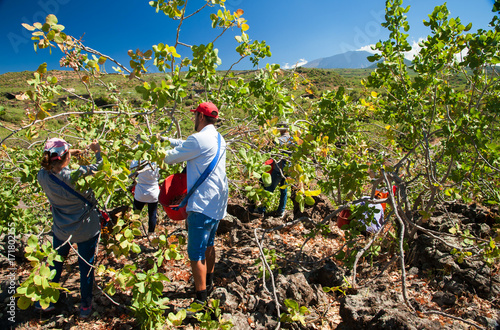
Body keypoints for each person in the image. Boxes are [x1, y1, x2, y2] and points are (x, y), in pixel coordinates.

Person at [162, 102, 228, 304]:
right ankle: (209, 282)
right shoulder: (218, 137)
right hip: (217, 203)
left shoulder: (198, 140)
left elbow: (168, 159)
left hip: (202, 204)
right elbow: (187, 144)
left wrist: (155, 148)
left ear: (200, 116)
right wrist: (166, 140)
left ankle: (201, 301)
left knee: (195, 253)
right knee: (209, 244)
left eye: (195, 116)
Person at [37, 138, 102, 318]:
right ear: (64, 158)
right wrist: (97, 151)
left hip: (61, 228)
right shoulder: (76, 174)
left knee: (55, 263)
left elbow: (53, 167)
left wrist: (69, 154)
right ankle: (85, 306)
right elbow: (100, 166)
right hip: (86, 229)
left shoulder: (42, 176)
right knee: (85, 266)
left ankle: (46, 300)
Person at [250, 124, 292, 218]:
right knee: (283, 191)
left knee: (269, 189)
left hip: (278, 169)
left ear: (281, 130)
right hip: (288, 170)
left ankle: (261, 210)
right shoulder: (293, 140)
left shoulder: (279, 140)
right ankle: (281, 211)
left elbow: (269, 152)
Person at [130, 160, 160, 235]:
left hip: (140, 192)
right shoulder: (157, 163)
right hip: (153, 193)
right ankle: (151, 234)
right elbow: (159, 176)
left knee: (135, 213)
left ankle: (132, 232)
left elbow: (131, 174)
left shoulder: (136, 162)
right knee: (152, 214)